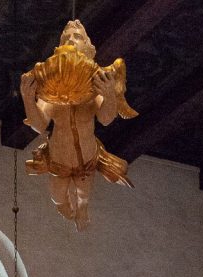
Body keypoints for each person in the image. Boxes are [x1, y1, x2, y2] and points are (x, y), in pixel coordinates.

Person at [20, 19, 137, 230]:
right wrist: (28, 99)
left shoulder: (95, 87)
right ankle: (65, 208)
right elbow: (39, 125)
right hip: (58, 160)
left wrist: (109, 94)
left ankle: (82, 210)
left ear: (89, 49)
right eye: (67, 38)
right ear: (58, 50)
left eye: (78, 37)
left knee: (83, 195)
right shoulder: (51, 92)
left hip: (87, 159)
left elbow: (106, 118)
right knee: (58, 197)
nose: (72, 40)